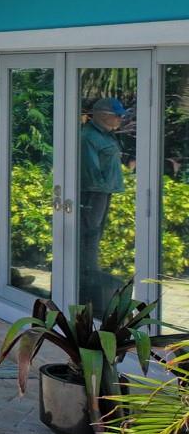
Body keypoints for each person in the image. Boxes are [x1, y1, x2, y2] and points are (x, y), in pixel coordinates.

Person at [79, 97, 126, 310]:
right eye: (118, 116)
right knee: (90, 234)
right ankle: (87, 278)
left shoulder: (106, 136)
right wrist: (100, 188)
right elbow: (90, 171)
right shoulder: (89, 137)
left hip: (105, 192)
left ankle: (90, 274)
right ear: (103, 116)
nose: (120, 120)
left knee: (95, 235)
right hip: (94, 194)